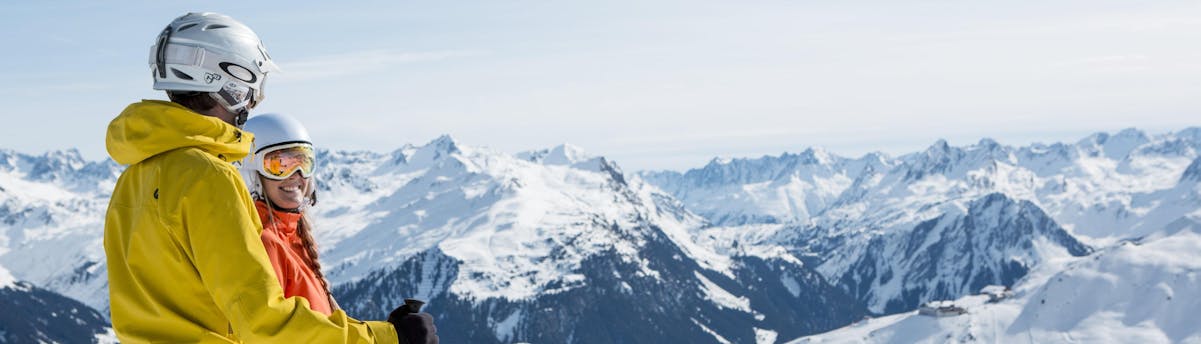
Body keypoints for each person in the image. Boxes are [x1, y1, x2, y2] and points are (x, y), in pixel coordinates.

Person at [104, 12, 435, 343]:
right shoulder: (208, 177)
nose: (253, 100)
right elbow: (263, 323)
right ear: (230, 82)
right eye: (252, 86)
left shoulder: (134, 178)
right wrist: (386, 338)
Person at [238, 114, 438, 344]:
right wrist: (390, 338)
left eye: (303, 162)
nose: (295, 175)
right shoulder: (264, 242)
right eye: (279, 164)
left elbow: (320, 324)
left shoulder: (291, 237)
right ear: (250, 171)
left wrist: (386, 330)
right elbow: (280, 333)